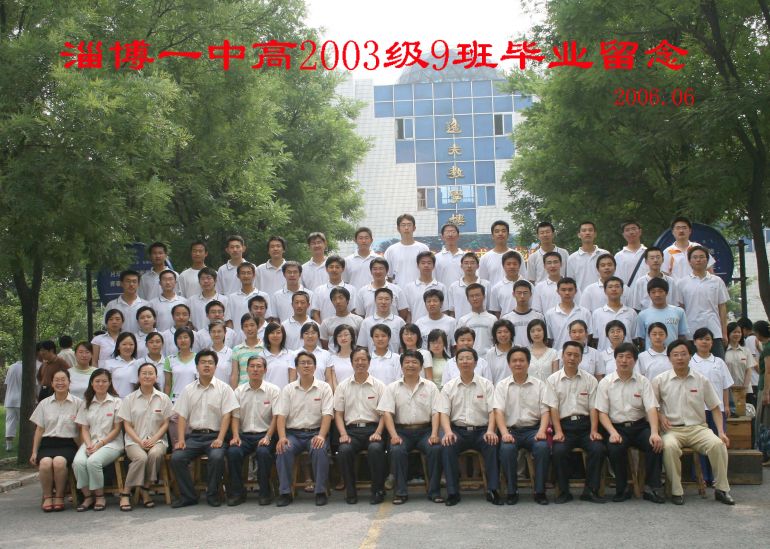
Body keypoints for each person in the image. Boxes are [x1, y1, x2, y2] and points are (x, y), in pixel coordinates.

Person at [653, 340, 734, 505]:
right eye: (675, 355)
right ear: (669, 358)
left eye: (683, 354)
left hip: (698, 429)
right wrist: (660, 416)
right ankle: (676, 491)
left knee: (718, 445)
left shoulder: (701, 380)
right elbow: (652, 407)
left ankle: (721, 489)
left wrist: (721, 432)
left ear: (690, 356)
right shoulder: (660, 380)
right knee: (669, 447)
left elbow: (715, 407)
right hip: (672, 430)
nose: (680, 358)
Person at [595, 343, 665, 503]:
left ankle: (652, 487)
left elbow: (651, 408)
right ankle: (622, 488)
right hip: (616, 427)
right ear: (615, 360)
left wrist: (655, 432)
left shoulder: (643, 381)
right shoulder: (606, 382)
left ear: (635, 361)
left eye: (628, 357)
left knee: (655, 444)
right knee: (615, 448)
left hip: (639, 426)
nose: (624, 360)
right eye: (620, 357)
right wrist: (612, 432)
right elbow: (602, 413)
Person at [170, 350, 238, 508]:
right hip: (194, 437)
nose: (207, 365)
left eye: (210, 363)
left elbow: (227, 416)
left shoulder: (224, 388)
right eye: (203, 362)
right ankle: (189, 496)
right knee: (177, 458)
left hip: (215, 436)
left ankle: (212, 494)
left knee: (217, 457)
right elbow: (182, 416)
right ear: (197, 366)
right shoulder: (188, 389)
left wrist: (220, 439)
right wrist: (181, 440)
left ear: (215, 366)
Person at [378, 350, 442, 505]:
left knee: (435, 449)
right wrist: (394, 435)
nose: (410, 365)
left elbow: (436, 412)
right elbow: (387, 413)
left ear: (421, 366)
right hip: (402, 432)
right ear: (401, 366)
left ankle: (434, 491)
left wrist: (434, 434)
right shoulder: (392, 387)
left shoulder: (430, 387)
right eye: (407, 362)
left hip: (425, 431)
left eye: (414, 362)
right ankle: (400, 492)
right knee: (396, 450)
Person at [439, 348, 501, 506]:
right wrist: (447, 432)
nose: (465, 362)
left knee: (492, 443)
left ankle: (493, 490)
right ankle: (452, 492)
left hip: (482, 431)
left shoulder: (486, 385)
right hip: (458, 431)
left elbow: (493, 411)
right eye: (461, 359)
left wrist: (491, 431)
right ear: (456, 363)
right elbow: (444, 413)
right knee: (447, 445)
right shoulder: (449, 386)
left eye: (468, 358)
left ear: (475, 362)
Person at [547, 340, 606, 504]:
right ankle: (563, 491)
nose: (572, 358)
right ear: (562, 356)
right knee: (559, 451)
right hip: (564, 426)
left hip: (586, 426)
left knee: (598, 449)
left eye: (576, 355)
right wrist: (558, 431)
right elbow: (553, 408)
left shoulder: (590, 380)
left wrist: (594, 430)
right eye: (569, 354)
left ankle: (591, 490)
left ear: (581, 358)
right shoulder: (553, 380)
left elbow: (593, 408)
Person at [274, 351, 334, 507]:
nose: (306, 366)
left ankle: (320, 491)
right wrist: (282, 437)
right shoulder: (288, 389)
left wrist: (321, 436)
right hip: (293, 435)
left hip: (316, 432)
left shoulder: (324, 388)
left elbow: (327, 415)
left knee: (319, 448)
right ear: (296, 367)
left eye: (309, 363)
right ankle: (285, 492)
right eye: (302, 363)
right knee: (283, 449)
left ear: (315, 367)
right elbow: (281, 416)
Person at [495, 346, 553, 505]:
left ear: (528, 363)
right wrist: (504, 433)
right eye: (514, 361)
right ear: (509, 364)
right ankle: (512, 491)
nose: (518, 363)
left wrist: (542, 431)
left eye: (522, 360)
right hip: (511, 431)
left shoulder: (539, 385)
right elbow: (498, 412)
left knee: (542, 447)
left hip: (533, 430)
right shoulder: (502, 385)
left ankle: (539, 491)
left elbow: (545, 412)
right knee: (507, 449)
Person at [334, 347, 387, 504]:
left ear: (369, 363)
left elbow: (385, 413)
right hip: (351, 431)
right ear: (351, 363)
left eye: (363, 359)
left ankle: (377, 490)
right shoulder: (343, 386)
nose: (360, 363)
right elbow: (338, 414)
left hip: (373, 429)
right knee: (344, 450)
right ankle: (350, 491)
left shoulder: (379, 385)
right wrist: (343, 434)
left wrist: (378, 432)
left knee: (376, 449)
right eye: (356, 360)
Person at [119, 362, 173, 508]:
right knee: (141, 458)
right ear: (138, 377)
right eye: (144, 373)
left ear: (156, 377)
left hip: (158, 440)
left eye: (151, 373)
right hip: (134, 441)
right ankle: (126, 493)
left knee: (155, 454)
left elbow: (165, 423)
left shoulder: (163, 398)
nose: (147, 376)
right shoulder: (129, 399)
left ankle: (145, 488)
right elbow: (126, 425)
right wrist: (139, 441)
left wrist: (154, 439)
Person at [227, 356, 279, 506]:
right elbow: (235, 416)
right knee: (233, 452)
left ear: (265, 370)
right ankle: (238, 492)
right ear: (247, 369)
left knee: (263, 452)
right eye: (252, 366)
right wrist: (235, 436)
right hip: (244, 435)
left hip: (266, 434)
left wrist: (268, 437)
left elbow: (276, 417)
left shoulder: (273, 390)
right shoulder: (239, 391)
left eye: (259, 366)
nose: (255, 369)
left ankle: (265, 492)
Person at [29, 369, 81, 512]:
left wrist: (82, 449)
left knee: (59, 462)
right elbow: (39, 430)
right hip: (47, 443)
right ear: (52, 383)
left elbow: (81, 430)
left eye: (63, 379)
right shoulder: (44, 404)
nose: (60, 383)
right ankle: (47, 496)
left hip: (68, 444)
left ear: (69, 382)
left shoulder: (78, 403)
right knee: (45, 463)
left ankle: (59, 496)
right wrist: (34, 452)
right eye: (57, 380)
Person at [73, 369, 124, 511]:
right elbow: (84, 428)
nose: (101, 384)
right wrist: (89, 445)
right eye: (97, 381)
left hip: (112, 443)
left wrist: (100, 444)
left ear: (109, 383)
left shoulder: (116, 402)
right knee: (78, 463)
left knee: (93, 461)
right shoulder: (86, 403)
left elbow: (117, 429)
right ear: (91, 383)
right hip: (90, 442)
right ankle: (88, 497)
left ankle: (100, 496)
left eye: (104, 381)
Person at [690, 327, 733, 484]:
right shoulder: (690, 362)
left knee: (718, 443)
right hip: (697, 410)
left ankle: (718, 477)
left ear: (712, 342)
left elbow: (725, 386)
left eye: (707, 339)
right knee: (700, 443)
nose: (704, 342)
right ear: (695, 342)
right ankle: (702, 477)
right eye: (701, 339)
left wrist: (726, 405)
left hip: (717, 409)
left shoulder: (719, 362)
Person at [678, 246, 729, 358]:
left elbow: (722, 307)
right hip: (691, 333)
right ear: (689, 261)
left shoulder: (717, 281)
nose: (698, 260)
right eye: (695, 257)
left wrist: (724, 333)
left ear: (707, 260)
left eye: (702, 257)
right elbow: (681, 309)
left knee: (717, 363)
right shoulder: (682, 283)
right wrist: (681, 333)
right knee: (692, 365)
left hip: (714, 332)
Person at [163, 327, 198, 448]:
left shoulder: (198, 358)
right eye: (179, 338)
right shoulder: (169, 359)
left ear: (191, 340)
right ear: (175, 341)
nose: (183, 340)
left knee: (191, 440)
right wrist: (166, 404)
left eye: (186, 337)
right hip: (175, 403)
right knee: (177, 441)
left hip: (193, 403)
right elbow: (168, 384)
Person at [635, 278, 688, 349]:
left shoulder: (679, 311)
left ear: (666, 293)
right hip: (651, 354)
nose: (657, 295)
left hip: (672, 353)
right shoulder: (642, 315)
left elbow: (682, 336)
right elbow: (642, 339)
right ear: (649, 294)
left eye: (660, 291)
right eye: (653, 292)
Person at [544, 277, 593, 351]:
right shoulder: (550, 314)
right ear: (558, 291)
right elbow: (549, 339)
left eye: (570, 290)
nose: (567, 293)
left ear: (576, 291)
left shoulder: (585, 312)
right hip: (558, 354)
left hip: (581, 354)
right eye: (563, 290)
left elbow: (589, 335)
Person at [591, 276, 637, 351]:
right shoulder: (597, 313)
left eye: (617, 286)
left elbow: (633, 337)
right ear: (605, 291)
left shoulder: (631, 313)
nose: (614, 289)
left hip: (626, 355)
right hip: (604, 355)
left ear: (622, 290)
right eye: (610, 287)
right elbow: (596, 338)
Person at [384, 213, 430, 287]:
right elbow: (388, 275)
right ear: (398, 229)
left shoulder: (423, 248)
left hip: (419, 289)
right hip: (398, 290)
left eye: (409, 225)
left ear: (414, 228)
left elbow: (429, 272)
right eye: (403, 225)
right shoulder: (391, 250)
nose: (406, 228)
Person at [629, 247, 679, 311]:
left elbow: (675, 305)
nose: (655, 260)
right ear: (646, 261)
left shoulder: (670, 281)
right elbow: (637, 307)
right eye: (652, 258)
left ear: (663, 260)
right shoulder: (640, 282)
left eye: (658, 257)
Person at [403, 251, 448, 323]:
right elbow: (408, 313)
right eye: (423, 263)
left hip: (437, 328)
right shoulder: (409, 288)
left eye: (429, 263)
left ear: (433, 266)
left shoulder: (441, 287)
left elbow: (444, 311)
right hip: (416, 327)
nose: (426, 265)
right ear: (418, 266)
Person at [357, 288, 406, 353]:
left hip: (394, 358)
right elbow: (362, 346)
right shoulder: (366, 322)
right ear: (375, 301)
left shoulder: (399, 322)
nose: (383, 302)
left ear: (392, 301)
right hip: (372, 358)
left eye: (387, 299)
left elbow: (403, 346)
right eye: (380, 299)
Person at [311, 256, 356, 323]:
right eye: (331, 267)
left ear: (343, 269)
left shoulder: (351, 289)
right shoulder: (319, 290)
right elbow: (315, 313)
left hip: (346, 328)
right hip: (326, 328)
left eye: (337, 267)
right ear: (326, 269)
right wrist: (322, 328)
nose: (334, 270)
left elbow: (353, 311)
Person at [567, 221, 610, 291]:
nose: (587, 233)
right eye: (584, 230)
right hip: (581, 296)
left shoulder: (605, 254)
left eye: (590, 230)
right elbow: (570, 282)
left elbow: (611, 276)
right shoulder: (572, 258)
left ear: (595, 234)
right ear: (579, 235)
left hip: (604, 294)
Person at [226, 262, 271, 329]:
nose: (246, 276)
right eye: (243, 273)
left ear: (254, 275)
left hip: (259, 335)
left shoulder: (264, 295)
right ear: (238, 275)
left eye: (249, 273)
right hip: (238, 335)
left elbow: (268, 318)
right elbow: (229, 321)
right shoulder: (232, 298)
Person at [447, 252, 489, 320]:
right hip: (461, 325)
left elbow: (489, 308)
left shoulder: (486, 284)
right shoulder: (454, 286)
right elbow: (452, 311)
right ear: (461, 266)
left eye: (472, 263)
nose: (469, 266)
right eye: (466, 263)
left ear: (478, 266)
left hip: (482, 324)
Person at [456, 283, 497, 355]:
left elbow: (496, 341)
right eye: (471, 296)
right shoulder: (463, 320)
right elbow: (458, 344)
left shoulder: (493, 319)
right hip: (469, 358)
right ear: (468, 299)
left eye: (477, 295)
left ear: (484, 296)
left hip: (488, 358)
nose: (474, 299)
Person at [502, 280, 544, 347]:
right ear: (513, 294)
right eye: (519, 293)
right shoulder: (506, 318)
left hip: (534, 352)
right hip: (514, 352)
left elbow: (544, 339)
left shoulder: (539, 317)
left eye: (525, 293)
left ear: (530, 294)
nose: (522, 296)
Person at [106, 270, 148, 334]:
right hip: (119, 340)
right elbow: (107, 326)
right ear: (121, 283)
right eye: (128, 281)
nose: (131, 284)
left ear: (138, 284)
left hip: (141, 340)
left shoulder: (146, 305)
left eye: (134, 281)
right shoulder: (112, 305)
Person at [189, 267, 229, 333]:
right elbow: (189, 323)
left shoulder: (224, 300)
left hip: (219, 336)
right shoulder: (192, 300)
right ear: (199, 282)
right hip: (198, 336)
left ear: (215, 280)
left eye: (209, 278)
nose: (206, 281)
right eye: (202, 279)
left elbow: (228, 321)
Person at [724, 321, 755, 406]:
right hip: (729, 391)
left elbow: (749, 370)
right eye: (734, 332)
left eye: (739, 332)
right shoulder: (723, 351)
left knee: (746, 413)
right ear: (728, 333)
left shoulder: (746, 351)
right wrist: (733, 387)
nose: (737, 334)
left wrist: (744, 388)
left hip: (746, 390)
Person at [297, 322, 336, 389]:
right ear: (301, 336)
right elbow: (292, 379)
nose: (310, 336)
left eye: (313, 333)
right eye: (306, 333)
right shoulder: (295, 354)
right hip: (300, 392)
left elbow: (328, 379)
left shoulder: (326, 354)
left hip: (321, 392)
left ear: (318, 335)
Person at [231, 314, 265, 387]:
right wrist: (234, 392)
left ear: (258, 326)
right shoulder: (237, 349)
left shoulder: (265, 347)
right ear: (242, 328)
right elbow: (235, 374)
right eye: (246, 326)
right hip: (243, 390)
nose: (249, 329)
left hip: (262, 389)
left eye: (252, 325)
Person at [489, 251, 526, 316]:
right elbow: (496, 311)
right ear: (503, 266)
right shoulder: (496, 288)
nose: (512, 267)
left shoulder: (528, 285)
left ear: (519, 265)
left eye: (515, 264)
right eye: (508, 264)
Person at [478, 220, 514, 288]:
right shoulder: (485, 258)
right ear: (492, 236)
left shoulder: (516, 255)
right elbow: (483, 283)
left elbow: (523, 279)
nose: (500, 234)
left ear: (508, 235)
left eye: (503, 231)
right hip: (492, 294)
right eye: (497, 231)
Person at [104, 332, 140, 397]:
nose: (128, 347)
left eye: (131, 344)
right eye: (124, 344)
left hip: (134, 401)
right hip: (115, 400)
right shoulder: (109, 364)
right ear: (118, 346)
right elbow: (105, 385)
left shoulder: (139, 364)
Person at [614, 221, 649, 286]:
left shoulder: (649, 253)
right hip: (627, 291)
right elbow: (617, 278)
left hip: (646, 290)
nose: (631, 232)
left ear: (640, 231)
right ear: (623, 235)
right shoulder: (618, 256)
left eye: (633, 229)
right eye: (627, 230)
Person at [262, 322, 295, 388]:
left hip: (286, 393)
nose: (275, 335)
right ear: (267, 335)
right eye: (272, 333)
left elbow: (292, 379)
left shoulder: (291, 354)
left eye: (278, 332)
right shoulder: (261, 356)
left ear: (283, 335)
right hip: (268, 393)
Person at [434, 222, 464, 289]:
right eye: (447, 232)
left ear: (458, 236)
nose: (450, 235)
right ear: (442, 237)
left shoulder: (466, 257)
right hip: (443, 294)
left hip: (463, 294)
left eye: (453, 232)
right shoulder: (436, 258)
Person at [485, 319, 515, 384]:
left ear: (511, 333)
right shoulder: (490, 354)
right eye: (499, 332)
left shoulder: (518, 351)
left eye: (506, 331)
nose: (503, 335)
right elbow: (488, 378)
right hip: (497, 389)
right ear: (495, 335)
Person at [206, 320, 233, 387]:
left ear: (225, 332)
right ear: (209, 333)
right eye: (213, 332)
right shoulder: (205, 354)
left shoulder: (231, 353)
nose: (216, 334)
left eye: (219, 331)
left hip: (226, 391)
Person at [3, 359, 22, 452]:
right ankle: (25, 443)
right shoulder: (26, 368)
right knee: (24, 423)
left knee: (9, 422)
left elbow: (6, 384)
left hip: (10, 399)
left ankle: (9, 445)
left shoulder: (11, 367)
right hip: (21, 399)